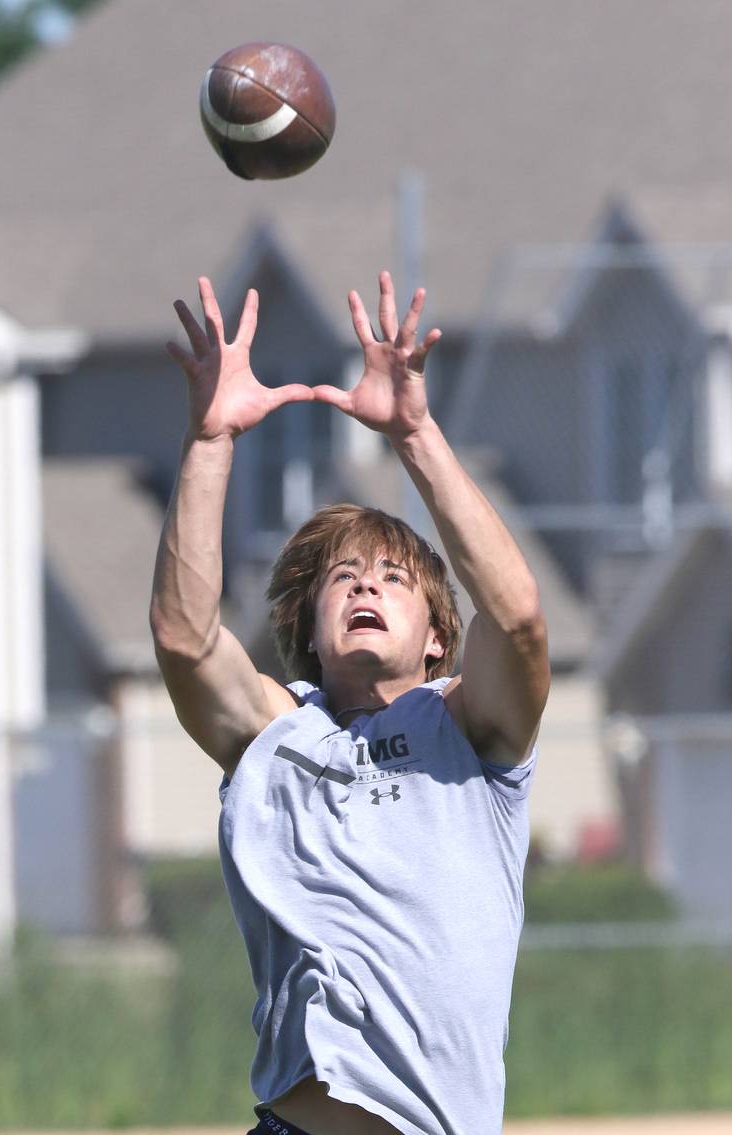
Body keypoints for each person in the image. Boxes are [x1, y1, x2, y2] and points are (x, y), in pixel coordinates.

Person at [150, 271, 550, 1135]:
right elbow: (185, 640)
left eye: (393, 577)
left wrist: (414, 432)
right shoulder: (274, 734)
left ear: (440, 638)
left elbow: (517, 619)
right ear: (311, 625)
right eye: (345, 576)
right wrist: (211, 442)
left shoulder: (467, 733)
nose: (367, 580)